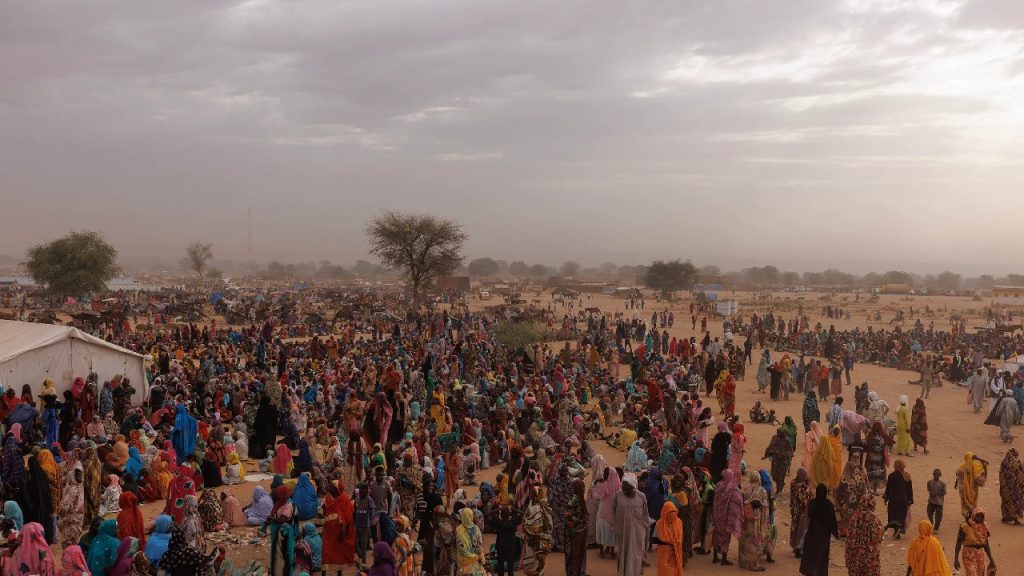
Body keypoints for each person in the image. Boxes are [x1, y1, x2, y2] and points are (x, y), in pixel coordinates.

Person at [799, 484, 838, 576]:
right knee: (821, 555)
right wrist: (835, 532)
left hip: (812, 531)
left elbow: (810, 515)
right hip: (823, 534)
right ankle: (819, 573)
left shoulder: (812, 503)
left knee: (811, 553)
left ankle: (809, 571)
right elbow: (832, 520)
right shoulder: (828, 505)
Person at [614, 473, 648, 576]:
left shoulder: (641, 497)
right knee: (622, 553)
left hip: (637, 532)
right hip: (623, 531)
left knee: (637, 555)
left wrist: (645, 530)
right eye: (622, 485)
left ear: (633, 486)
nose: (623, 487)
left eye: (625, 485)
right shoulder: (618, 496)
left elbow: (645, 514)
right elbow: (613, 511)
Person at [739, 470, 771, 571]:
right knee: (754, 541)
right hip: (756, 520)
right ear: (758, 479)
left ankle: (743, 562)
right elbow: (765, 508)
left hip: (746, 519)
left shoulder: (746, 489)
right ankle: (753, 565)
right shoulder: (762, 491)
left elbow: (742, 504)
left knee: (746, 540)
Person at [844, 493, 883, 576]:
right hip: (868, 557)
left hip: (854, 555)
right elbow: (875, 537)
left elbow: (849, 536)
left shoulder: (854, 516)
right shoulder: (872, 517)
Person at [711, 469, 742, 566]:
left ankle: (715, 556)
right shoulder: (733, 487)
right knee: (725, 537)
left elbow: (715, 499)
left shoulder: (718, 485)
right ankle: (724, 558)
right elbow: (738, 500)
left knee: (716, 534)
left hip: (717, 515)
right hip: (726, 517)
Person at [322, 481, 355, 571]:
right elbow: (327, 512)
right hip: (329, 532)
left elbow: (348, 516)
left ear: (337, 489)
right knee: (327, 551)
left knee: (340, 552)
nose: (329, 487)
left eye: (332, 486)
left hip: (340, 531)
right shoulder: (328, 498)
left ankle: (340, 570)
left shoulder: (345, 499)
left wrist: (343, 529)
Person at [954, 507, 995, 576]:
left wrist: (991, 559)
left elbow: (986, 545)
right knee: (971, 573)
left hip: (980, 555)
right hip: (968, 555)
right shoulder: (964, 527)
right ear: (973, 516)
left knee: (980, 574)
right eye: (978, 516)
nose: (980, 518)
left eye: (982, 516)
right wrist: (956, 559)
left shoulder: (984, 527)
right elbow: (958, 544)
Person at [268, 485, 297, 576]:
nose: (275, 495)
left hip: (285, 535)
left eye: (277, 494)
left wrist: (272, 519)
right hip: (278, 534)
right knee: (277, 555)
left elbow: (282, 519)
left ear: (282, 494)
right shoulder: (280, 503)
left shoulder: (288, 505)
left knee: (286, 556)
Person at [563, 478, 588, 576]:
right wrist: (578, 521)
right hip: (575, 531)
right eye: (582, 487)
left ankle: (577, 571)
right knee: (575, 553)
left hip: (578, 530)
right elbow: (567, 514)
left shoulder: (578, 497)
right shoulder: (574, 498)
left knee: (577, 553)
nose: (584, 488)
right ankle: (574, 572)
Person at [884, 459, 914, 539]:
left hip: (894, 499)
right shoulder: (907, 476)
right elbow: (910, 490)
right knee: (901, 516)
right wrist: (910, 500)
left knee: (894, 515)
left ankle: (896, 530)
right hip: (904, 499)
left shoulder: (892, 476)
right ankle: (899, 530)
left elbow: (888, 488)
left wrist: (886, 498)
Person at [654, 500, 683, 576]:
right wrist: (670, 541)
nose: (672, 514)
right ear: (665, 513)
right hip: (665, 553)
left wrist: (670, 541)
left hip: (674, 552)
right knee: (665, 571)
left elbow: (680, 537)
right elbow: (654, 539)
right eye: (670, 512)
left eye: (674, 512)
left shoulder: (678, 522)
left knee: (672, 571)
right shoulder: (660, 524)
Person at [956, 452, 987, 520]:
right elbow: (978, 477)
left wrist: (956, 484)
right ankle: (969, 518)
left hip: (964, 490)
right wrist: (981, 460)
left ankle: (967, 518)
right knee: (971, 503)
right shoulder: (973, 467)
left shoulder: (962, 467)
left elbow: (957, 477)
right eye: (972, 458)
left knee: (965, 502)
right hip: (971, 489)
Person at [763, 426, 794, 493]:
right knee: (773, 474)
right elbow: (770, 446)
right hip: (775, 460)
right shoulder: (774, 438)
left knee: (780, 476)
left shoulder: (787, 440)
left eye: (780, 433)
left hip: (783, 461)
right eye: (778, 432)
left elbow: (790, 451)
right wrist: (766, 455)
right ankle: (780, 484)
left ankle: (779, 489)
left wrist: (782, 453)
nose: (779, 434)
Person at [455, 507, 485, 576]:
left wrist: (470, 555)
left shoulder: (458, 529)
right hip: (474, 560)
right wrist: (481, 556)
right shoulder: (476, 529)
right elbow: (479, 546)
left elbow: (460, 547)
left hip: (463, 561)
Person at [790, 469, 810, 558]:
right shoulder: (801, 486)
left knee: (795, 527)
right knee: (801, 529)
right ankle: (798, 549)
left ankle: (795, 546)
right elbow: (804, 499)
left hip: (794, 510)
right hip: (801, 511)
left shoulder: (793, 483)